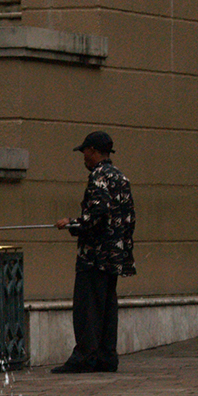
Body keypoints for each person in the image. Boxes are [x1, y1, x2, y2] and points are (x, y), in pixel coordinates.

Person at [52, 130, 136, 374]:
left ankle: (85, 356)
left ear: (93, 151)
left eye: (85, 152)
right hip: (115, 255)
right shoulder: (121, 177)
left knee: (88, 306)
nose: (83, 158)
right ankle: (106, 356)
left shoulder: (98, 177)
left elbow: (97, 215)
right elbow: (128, 217)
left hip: (94, 256)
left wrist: (72, 223)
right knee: (108, 306)